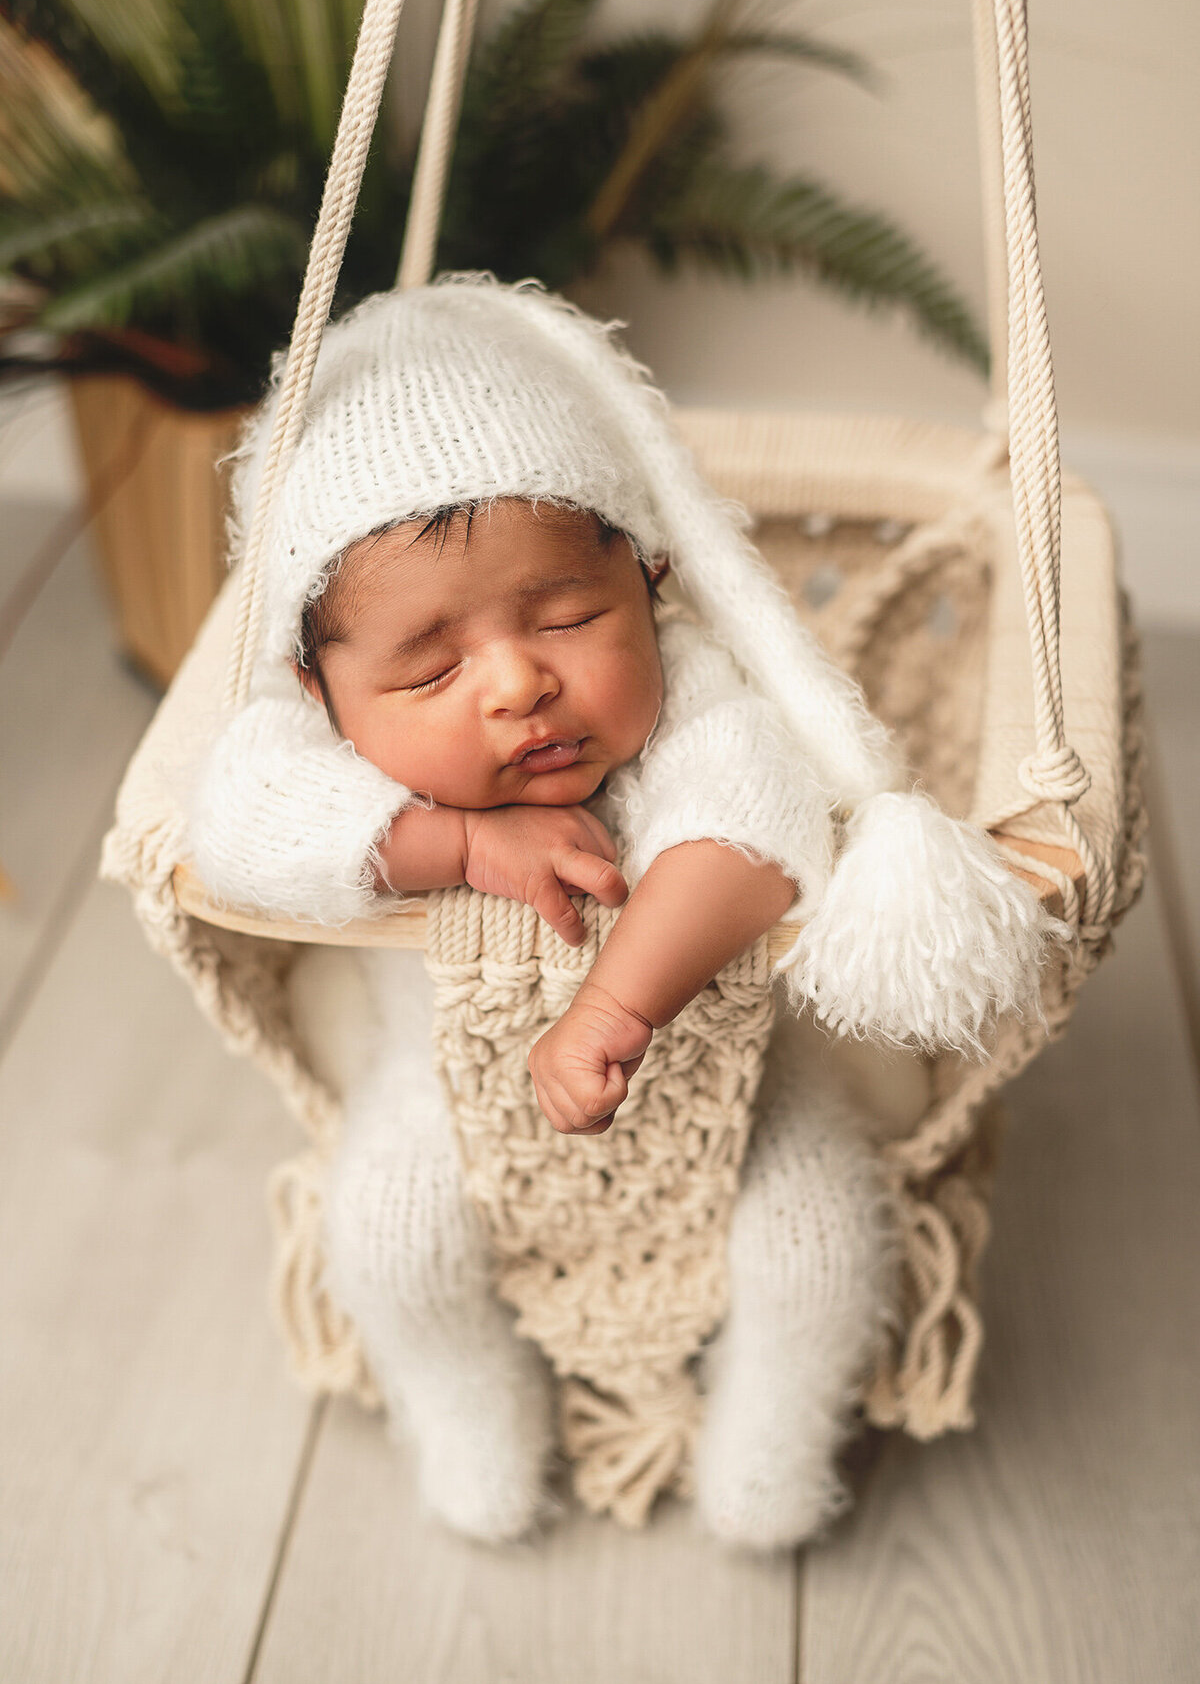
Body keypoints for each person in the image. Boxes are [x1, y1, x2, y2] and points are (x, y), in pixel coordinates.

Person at [189, 274, 1050, 1547]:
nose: (521, 681)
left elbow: (752, 835)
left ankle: (774, 1430)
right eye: (431, 667)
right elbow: (231, 830)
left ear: (651, 587)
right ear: (320, 691)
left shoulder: (697, 697)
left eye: (571, 615)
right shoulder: (305, 745)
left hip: (735, 1076)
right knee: (387, 1232)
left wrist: (614, 1006)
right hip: (444, 1084)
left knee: (816, 1238)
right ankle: (463, 1398)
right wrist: (459, 843)